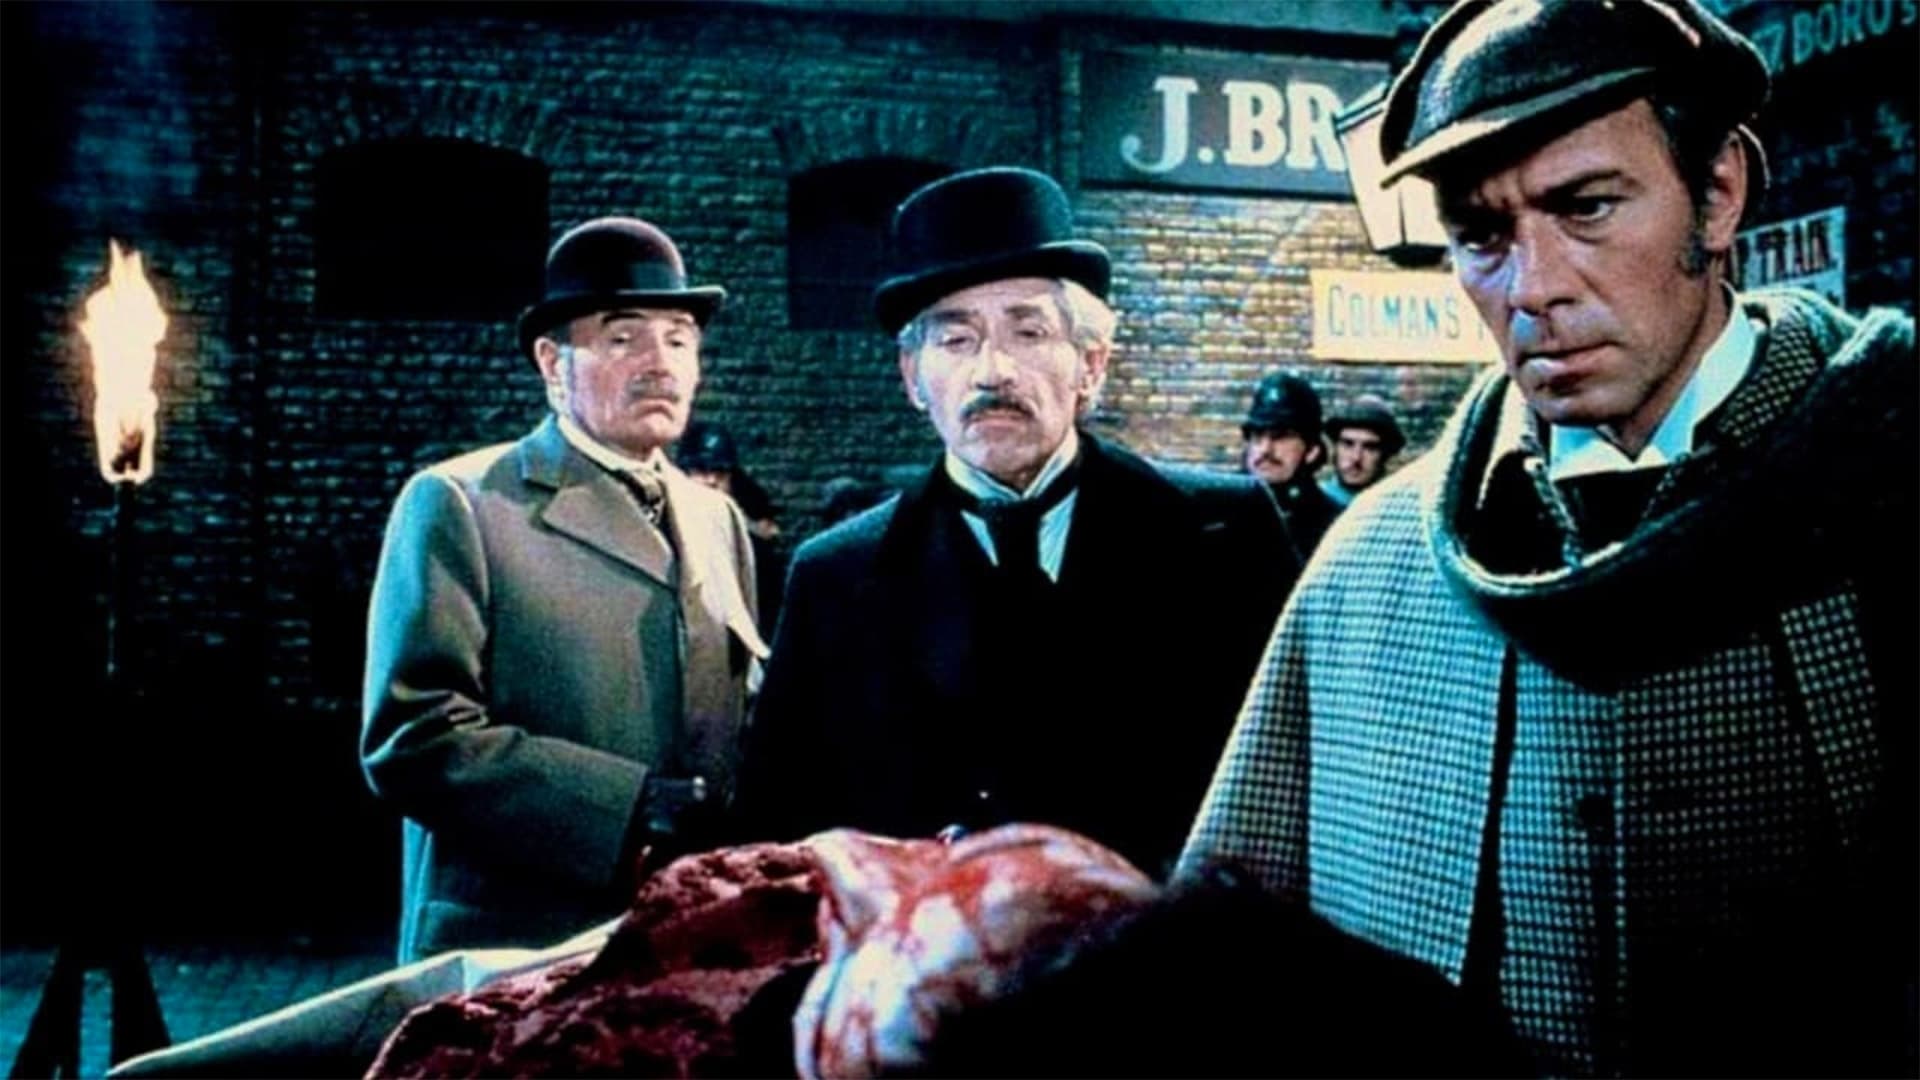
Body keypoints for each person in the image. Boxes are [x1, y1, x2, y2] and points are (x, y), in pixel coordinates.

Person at [1180, 1, 1917, 1075]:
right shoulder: (1368, 569)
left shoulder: (1887, 492)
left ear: (1717, 194)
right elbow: (1222, 968)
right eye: (1482, 235)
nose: (1532, 289)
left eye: (1587, 207)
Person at [734, 166, 1298, 878]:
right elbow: (777, 839)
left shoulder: (1225, 537)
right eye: (955, 340)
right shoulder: (835, 577)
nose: (993, 371)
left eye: (1028, 331)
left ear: (1091, 364)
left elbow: (1297, 792)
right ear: (913, 379)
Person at [361, 217, 770, 963]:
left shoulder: (718, 520)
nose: (660, 364)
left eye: (679, 340)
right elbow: (412, 739)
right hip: (519, 945)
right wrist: (624, 804)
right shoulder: (464, 503)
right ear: (553, 363)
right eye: (623, 338)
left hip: (687, 942)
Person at [675, 418, 788, 635]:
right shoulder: (664, 528)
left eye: (720, 473)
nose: (711, 480)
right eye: (701, 470)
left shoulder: (750, 542)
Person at [1239, 371, 1341, 560]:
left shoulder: (1335, 525)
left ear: (1311, 450)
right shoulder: (1218, 511)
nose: (1265, 450)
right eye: (1257, 436)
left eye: (1280, 437)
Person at [1318, 393, 1405, 509]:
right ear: (1335, 448)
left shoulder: (1398, 507)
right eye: (1348, 444)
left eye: (1369, 448)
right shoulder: (1310, 503)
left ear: (1385, 455)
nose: (1356, 457)